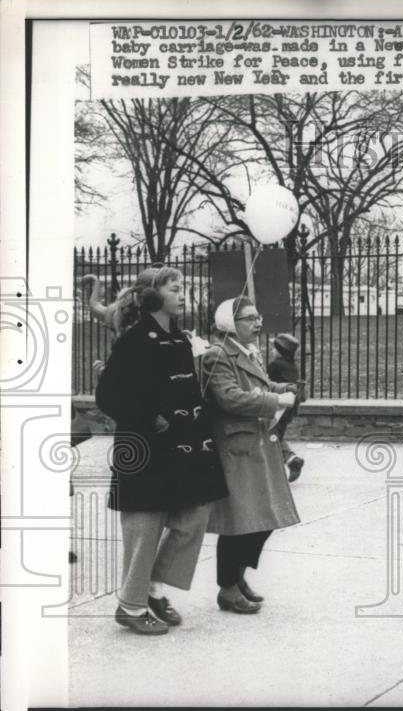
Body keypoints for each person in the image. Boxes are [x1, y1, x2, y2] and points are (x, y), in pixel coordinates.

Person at [95, 266, 229, 635]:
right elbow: (108, 396)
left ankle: (152, 588)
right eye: (176, 288)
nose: (183, 294)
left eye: (183, 287)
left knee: (194, 517)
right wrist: (149, 418)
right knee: (145, 529)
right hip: (145, 449)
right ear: (154, 296)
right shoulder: (135, 339)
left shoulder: (181, 340)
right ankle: (132, 607)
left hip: (186, 449)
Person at [200, 297, 301, 614]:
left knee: (264, 519)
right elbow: (229, 397)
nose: (258, 323)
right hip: (237, 447)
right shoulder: (217, 356)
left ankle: (237, 576)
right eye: (249, 318)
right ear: (230, 324)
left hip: (258, 443)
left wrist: (286, 387)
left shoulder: (249, 353)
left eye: (258, 317)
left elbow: (260, 384)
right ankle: (227, 589)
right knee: (241, 522)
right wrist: (276, 400)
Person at [267, 333, 306, 483]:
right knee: (277, 433)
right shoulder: (292, 366)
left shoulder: (275, 366)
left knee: (271, 434)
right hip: (291, 407)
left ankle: (289, 461)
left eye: (273, 349)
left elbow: (267, 383)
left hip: (279, 405)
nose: (271, 351)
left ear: (280, 351)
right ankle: (291, 458)